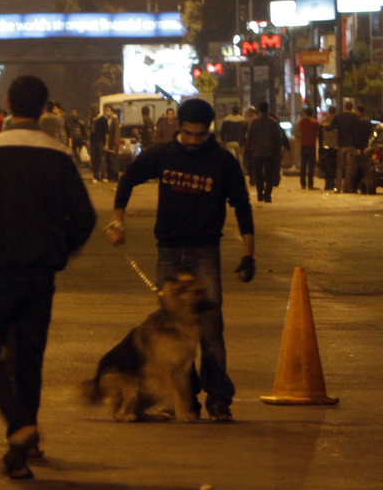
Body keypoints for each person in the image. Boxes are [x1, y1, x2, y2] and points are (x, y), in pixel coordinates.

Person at [0, 76, 95, 478]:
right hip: (41, 276)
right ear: (43, 108)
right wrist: (57, 250)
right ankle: (19, 456)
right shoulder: (58, 155)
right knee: (29, 361)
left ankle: (19, 425)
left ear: (7, 104)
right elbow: (84, 219)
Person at [108, 98, 255, 424]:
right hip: (169, 252)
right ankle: (183, 400)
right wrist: (118, 221)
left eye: (199, 135)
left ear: (209, 131)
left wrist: (248, 254)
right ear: (178, 128)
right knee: (171, 328)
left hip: (205, 252)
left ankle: (219, 399)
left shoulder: (222, 161)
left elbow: (242, 206)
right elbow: (128, 178)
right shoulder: (163, 154)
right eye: (187, 134)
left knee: (211, 328)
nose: (193, 140)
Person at [243, 101, 287, 202]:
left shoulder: (254, 122)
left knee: (257, 173)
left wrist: (250, 147)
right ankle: (267, 194)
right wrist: (277, 151)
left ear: (259, 109)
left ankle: (259, 193)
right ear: (267, 109)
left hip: (257, 151)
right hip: (270, 152)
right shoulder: (273, 122)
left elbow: (249, 136)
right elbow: (277, 138)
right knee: (269, 174)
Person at [333, 100, 361, 193]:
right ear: (351, 108)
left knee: (339, 167)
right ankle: (346, 187)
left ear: (345, 107)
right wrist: (357, 147)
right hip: (350, 145)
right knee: (349, 167)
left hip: (341, 145)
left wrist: (325, 125)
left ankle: (338, 187)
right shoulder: (354, 118)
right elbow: (356, 133)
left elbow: (330, 127)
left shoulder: (338, 117)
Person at [295, 107, 320, 190]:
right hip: (312, 145)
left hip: (303, 144)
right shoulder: (315, 122)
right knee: (311, 166)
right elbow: (318, 133)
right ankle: (310, 184)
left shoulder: (301, 122)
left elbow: (297, 132)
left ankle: (303, 183)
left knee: (303, 165)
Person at [89, 108, 108, 182]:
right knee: (94, 160)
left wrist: (106, 143)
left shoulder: (103, 119)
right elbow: (90, 129)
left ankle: (103, 176)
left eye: (92, 112)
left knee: (102, 159)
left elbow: (106, 133)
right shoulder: (93, 120)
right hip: (93, 142)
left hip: (100, 142)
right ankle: (96, 176)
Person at [104, 104, 122, 182]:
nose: (106, 112)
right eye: (106, 111)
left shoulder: (115, 120)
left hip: (113, 144)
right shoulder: (108, 120)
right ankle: (110, 176)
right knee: (109, 160)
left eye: (108, 111)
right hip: (109, 144)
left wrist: (115, 144)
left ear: (112, 111)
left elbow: (116, 133)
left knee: (114, 160)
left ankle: (115, 176)